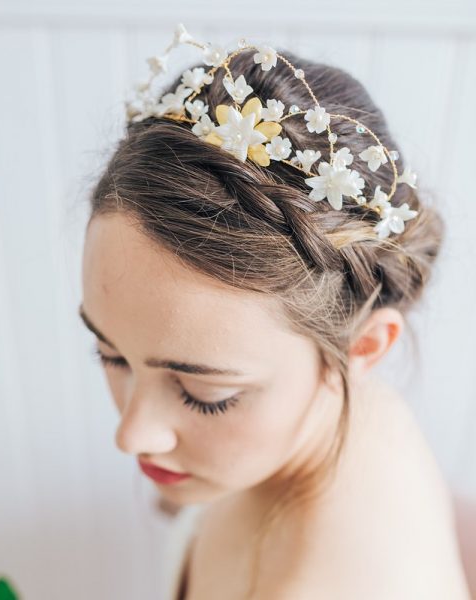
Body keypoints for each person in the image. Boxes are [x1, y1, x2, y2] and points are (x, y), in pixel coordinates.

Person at [78, 24, 472, 599]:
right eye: (110, 354)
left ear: (364, 347)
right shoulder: (335, 407)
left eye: (204, 395)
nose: (131, 434)